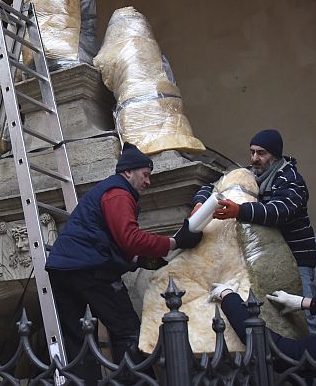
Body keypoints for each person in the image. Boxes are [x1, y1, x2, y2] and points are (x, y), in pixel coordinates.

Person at [46, 142, 204, 383]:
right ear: (128, 172)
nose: (148, 181)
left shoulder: (108, 192)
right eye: (145, 175)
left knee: (76, 338)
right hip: (90, 270)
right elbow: (130, 239)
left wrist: (138, 260)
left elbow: (108, 240)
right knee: (127, 330)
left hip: (63, 267)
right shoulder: (119, 193)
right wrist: (174, 242)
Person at [192, 128, 316, 332]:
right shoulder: (248, 173)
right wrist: (200, 203)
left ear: (275, 154)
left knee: (302, 312)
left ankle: (312, 349)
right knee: (271, 314)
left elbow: (280, 211)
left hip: (296, 258)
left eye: (261, 153)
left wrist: (240, 210)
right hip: (264, 260)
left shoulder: (290, 179)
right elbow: (213, 186)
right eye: (252, 152)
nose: (254, 158)